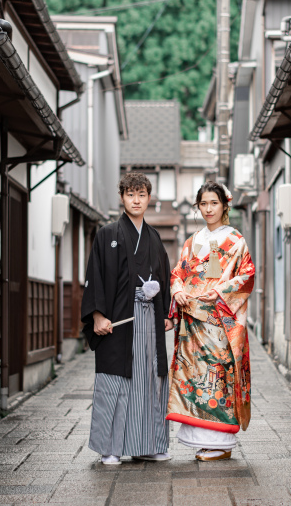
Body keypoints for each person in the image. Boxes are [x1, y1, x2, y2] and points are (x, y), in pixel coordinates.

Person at [80, 172, 175, 465]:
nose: (136, 200)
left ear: (149, 198)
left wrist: (166, 312)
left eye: (142, 194)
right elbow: (94, 276)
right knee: (115, 381)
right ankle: (110, 447)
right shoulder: (107, 234)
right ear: (122, 197)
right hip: (117, 319)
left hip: (148, 318)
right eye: (131, 194)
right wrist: (97, 315)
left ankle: (146, 444)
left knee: (150, 380)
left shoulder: (154, 238)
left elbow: (164, 278)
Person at [166, 181, 255, 461]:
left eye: (213, 203)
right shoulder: (192, 242)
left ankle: (221, 442)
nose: (208, 209)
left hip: (219, 323)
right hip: (193, 324)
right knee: (196, 378)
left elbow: (247, 276)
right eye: (203, 203)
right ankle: (204, 440)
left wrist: (220, 291)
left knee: (217, 379)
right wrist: (178, 290)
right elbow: (178, 273)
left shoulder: (235, 240)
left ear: (225, 205)